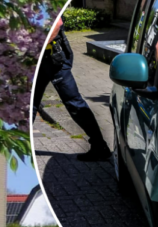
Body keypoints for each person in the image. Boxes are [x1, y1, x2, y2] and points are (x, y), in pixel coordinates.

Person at [34, 17, 109, 161]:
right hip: (40, 62)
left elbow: (57, 23)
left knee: (74, 103)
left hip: (54, 61)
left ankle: (100, 146)